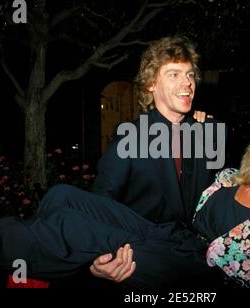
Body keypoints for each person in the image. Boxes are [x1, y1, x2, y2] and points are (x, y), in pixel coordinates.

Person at [0, 119, 250, 288]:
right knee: (62, 196)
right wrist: (194, 129)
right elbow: (183, 185)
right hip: (173, 237)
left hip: (198, 273)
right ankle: (36, 269)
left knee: (72, 228)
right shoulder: (229, 177)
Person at [87, 36, 225, 282]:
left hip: (196, 263)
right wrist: (98, 260)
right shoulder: (129, 140)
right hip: (142, 264)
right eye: (174, 74)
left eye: (190, 75)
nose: (187, 83)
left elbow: (219, 197)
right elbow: (99, 206)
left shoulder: (207, 134)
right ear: (151, 83)